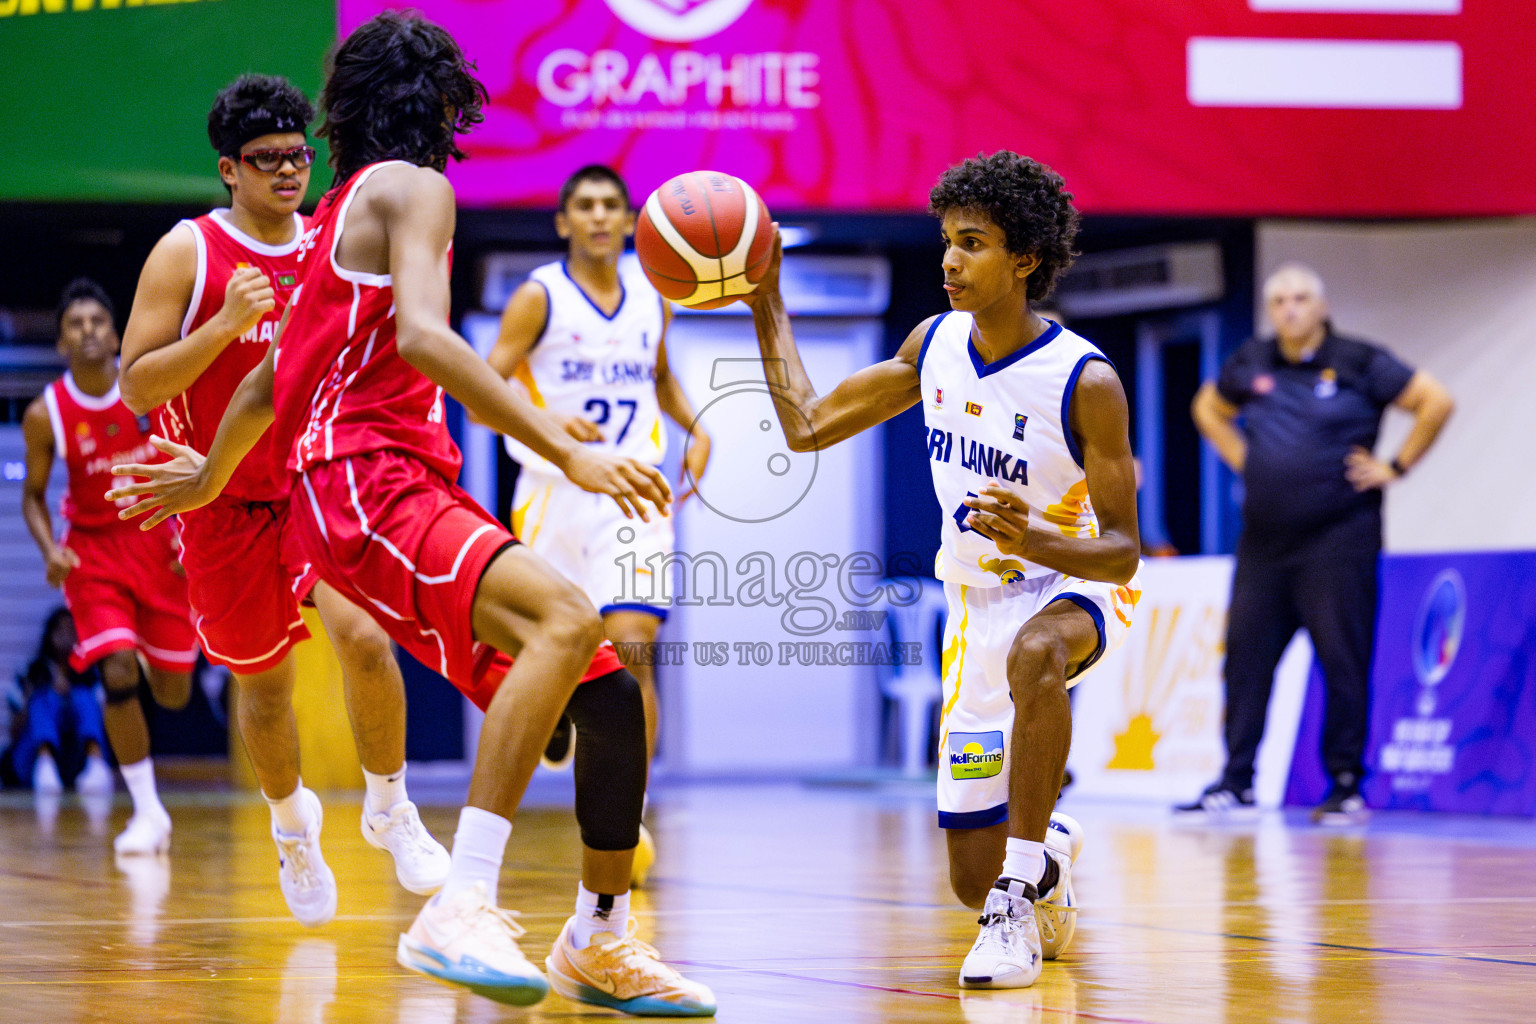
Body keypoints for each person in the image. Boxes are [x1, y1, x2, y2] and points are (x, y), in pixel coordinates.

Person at [108, 12, 714, 1015]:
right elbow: (431, 340)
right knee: (565, 622)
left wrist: (209, 479)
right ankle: (457, 897)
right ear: (441, 103)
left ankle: (599, 934)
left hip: (363, 485)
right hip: (368, 475)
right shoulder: (415, 188)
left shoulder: (345, 206)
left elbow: (266, 380)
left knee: (602, 692)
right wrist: (570, 449)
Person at [741, 151, 1143, 989]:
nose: (950, 260)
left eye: (974, 242)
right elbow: (808, 426)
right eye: (947, 241)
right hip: (974, 603)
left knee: (1039, 656)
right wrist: (764, 298)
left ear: (1024, 259)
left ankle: (1015, 904)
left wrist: (1038, 544)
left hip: (1076, 584)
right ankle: (1044, 858)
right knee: (967, 871)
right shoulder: (933, 345)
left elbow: (1123, 549)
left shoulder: (1086, 380)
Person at [117, 74, 449, 926]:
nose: (288, 172)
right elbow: (135, 385)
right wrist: (223, 325)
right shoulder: (188, 251)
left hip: (312, 479)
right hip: (220, 495)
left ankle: (391, 804)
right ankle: (292, 824)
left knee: (367, 639)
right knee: (262, 689)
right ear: (229, 169)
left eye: (299, 156)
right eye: (266, 161)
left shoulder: (334, 237)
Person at [485, 163, 711, 885]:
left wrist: (696, 424)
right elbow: (487, 382)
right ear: (563, 221)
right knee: (556, 644)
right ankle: (552, 711)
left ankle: (629, 813)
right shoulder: (538, 296)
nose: (599, 217)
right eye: (584, 205)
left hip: (633, 495)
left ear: (628, 220)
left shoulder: (653, 298)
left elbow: (661, 378)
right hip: (556, 491)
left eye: (612, 205)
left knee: (633, 647)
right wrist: (547, 420)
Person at [1179, 263, 1453, 824]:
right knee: (1246, 662)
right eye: (1279, 300)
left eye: (1301, 299)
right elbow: (1207, 407)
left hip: (1339, 541)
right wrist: (1243, 458)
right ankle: (1236, 784)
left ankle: (1346, 786)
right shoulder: (1253, 361)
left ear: (1321, 307)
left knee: (1343, 663)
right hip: (1264, 545)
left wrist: (1394, 466)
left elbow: (1435, 401)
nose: (1290, 309)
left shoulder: (1358, 360)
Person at [21, 278, 199, 855]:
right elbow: (33, 495)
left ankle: (143, 651)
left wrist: (191, 530)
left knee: (174, 695)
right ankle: (148, 813)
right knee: (117, 672)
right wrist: (51, 550)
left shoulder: (148, 384)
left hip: (159, 547)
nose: (88, 331)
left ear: (117, 332)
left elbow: (192, 455)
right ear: (60, 343)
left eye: (98, 321)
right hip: (92, 555)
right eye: (75, 324)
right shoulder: (45, 414)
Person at [10, 608, 114, 796]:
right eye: (61, 630)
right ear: (50, 634)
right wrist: (34, 697)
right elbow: (13, 731)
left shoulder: (92, 673)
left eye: (71, 630)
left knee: (82, 697)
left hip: (77, 755)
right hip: (32, 758)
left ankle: (95, 763)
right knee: (43, 699)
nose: (67, 636)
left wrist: (73, 696)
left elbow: (108, 723)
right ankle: (45, 762)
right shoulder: (30, 671)